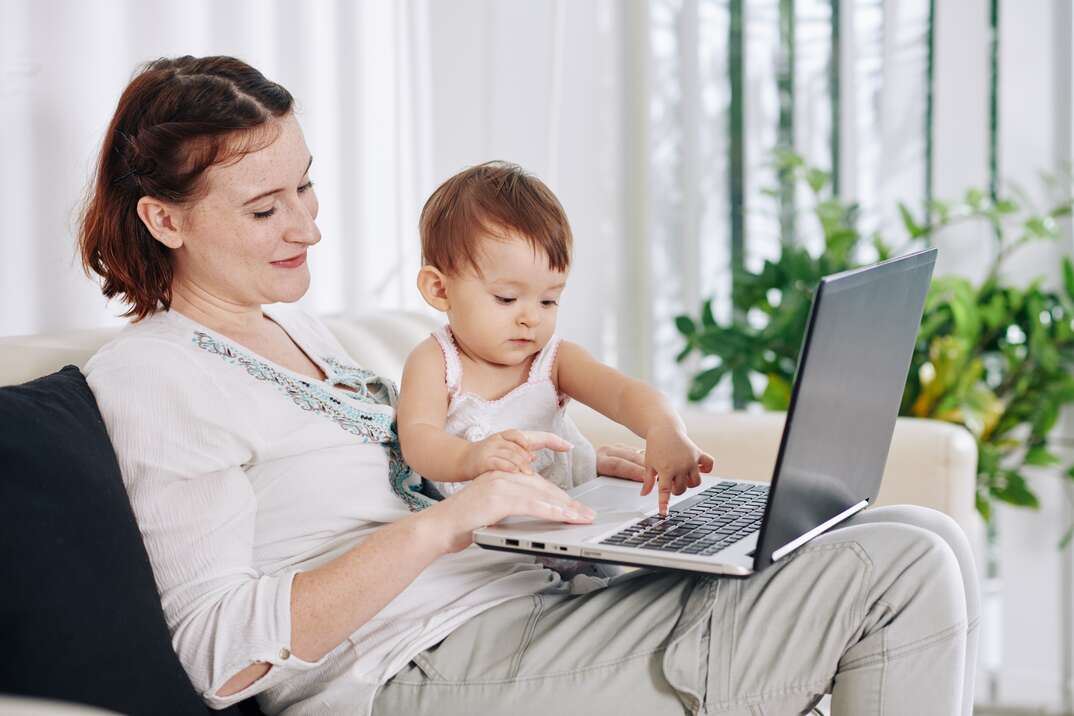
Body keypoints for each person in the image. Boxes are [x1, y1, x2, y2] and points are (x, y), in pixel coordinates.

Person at [79, 55, 979, 716]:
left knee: (917, 528)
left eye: (307, 190)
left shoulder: (302, 330)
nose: (308, 229)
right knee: (890, 570)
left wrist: (582, 464)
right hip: (411, 669)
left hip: (529, 603)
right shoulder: (154, 378)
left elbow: (440, 458)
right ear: (164, 219)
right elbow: (217, 656)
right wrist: (450, 522)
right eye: (267, 208)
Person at [396, 161, 713, 516]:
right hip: (482, 539)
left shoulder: (553, 360)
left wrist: (663, 428)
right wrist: (471, 457)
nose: (531, 317)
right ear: (439, 289)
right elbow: (419, 439)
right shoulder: (436, 361)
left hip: (564, 524)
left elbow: (623, 394)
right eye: (506, 298)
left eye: (549, 300)